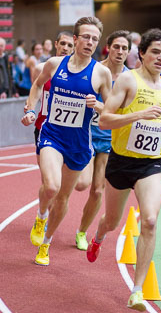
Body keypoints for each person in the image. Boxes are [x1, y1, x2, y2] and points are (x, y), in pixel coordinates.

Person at [86, 28, 161, 311]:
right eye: (155, 52)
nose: (160, 58)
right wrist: (138, 114)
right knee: (112, 221)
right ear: (141, 53)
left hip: (151, 163)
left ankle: (137, 290)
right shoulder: (128, 80)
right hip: (121, 161)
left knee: (149, 221)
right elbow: (104, 120)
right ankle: (99, 237)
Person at [21, 16, 112, 266]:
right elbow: (37, 86)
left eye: (94, 38)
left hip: (79, 144)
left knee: (63, 197)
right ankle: (41, 216)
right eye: (86, 37)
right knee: (51, 186)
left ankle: (46, 244)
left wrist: (99, 105)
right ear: (75, 39)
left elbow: (113, 110)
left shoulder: (101, 73)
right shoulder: (54, 63)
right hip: (52, 135)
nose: (90, 42)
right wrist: (30, 109)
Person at [75, 30, 132, 251]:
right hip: (87, 133)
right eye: (116, 46)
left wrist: (102, 107)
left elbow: (126, 112)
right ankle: (60, 197)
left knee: (97, 190)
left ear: (129, 51)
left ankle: (81, 232)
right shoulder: (96, 70)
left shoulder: (130, 78)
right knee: (81, 184)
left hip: (110, 139)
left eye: (124, 48)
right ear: (108, 47)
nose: (120, 51)